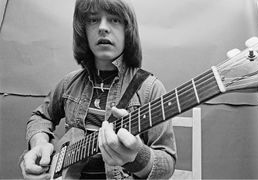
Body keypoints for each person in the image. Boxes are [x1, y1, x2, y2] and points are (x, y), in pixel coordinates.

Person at [19, 0, 177, 179]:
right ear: (83, 31)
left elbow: (167, 164)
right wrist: (39, 142)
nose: (103, 27)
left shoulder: (150, 88)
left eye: (114, 19)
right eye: (93, 20)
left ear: (127, 30)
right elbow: (41, 116)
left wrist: (137, 157)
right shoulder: (69, 83)